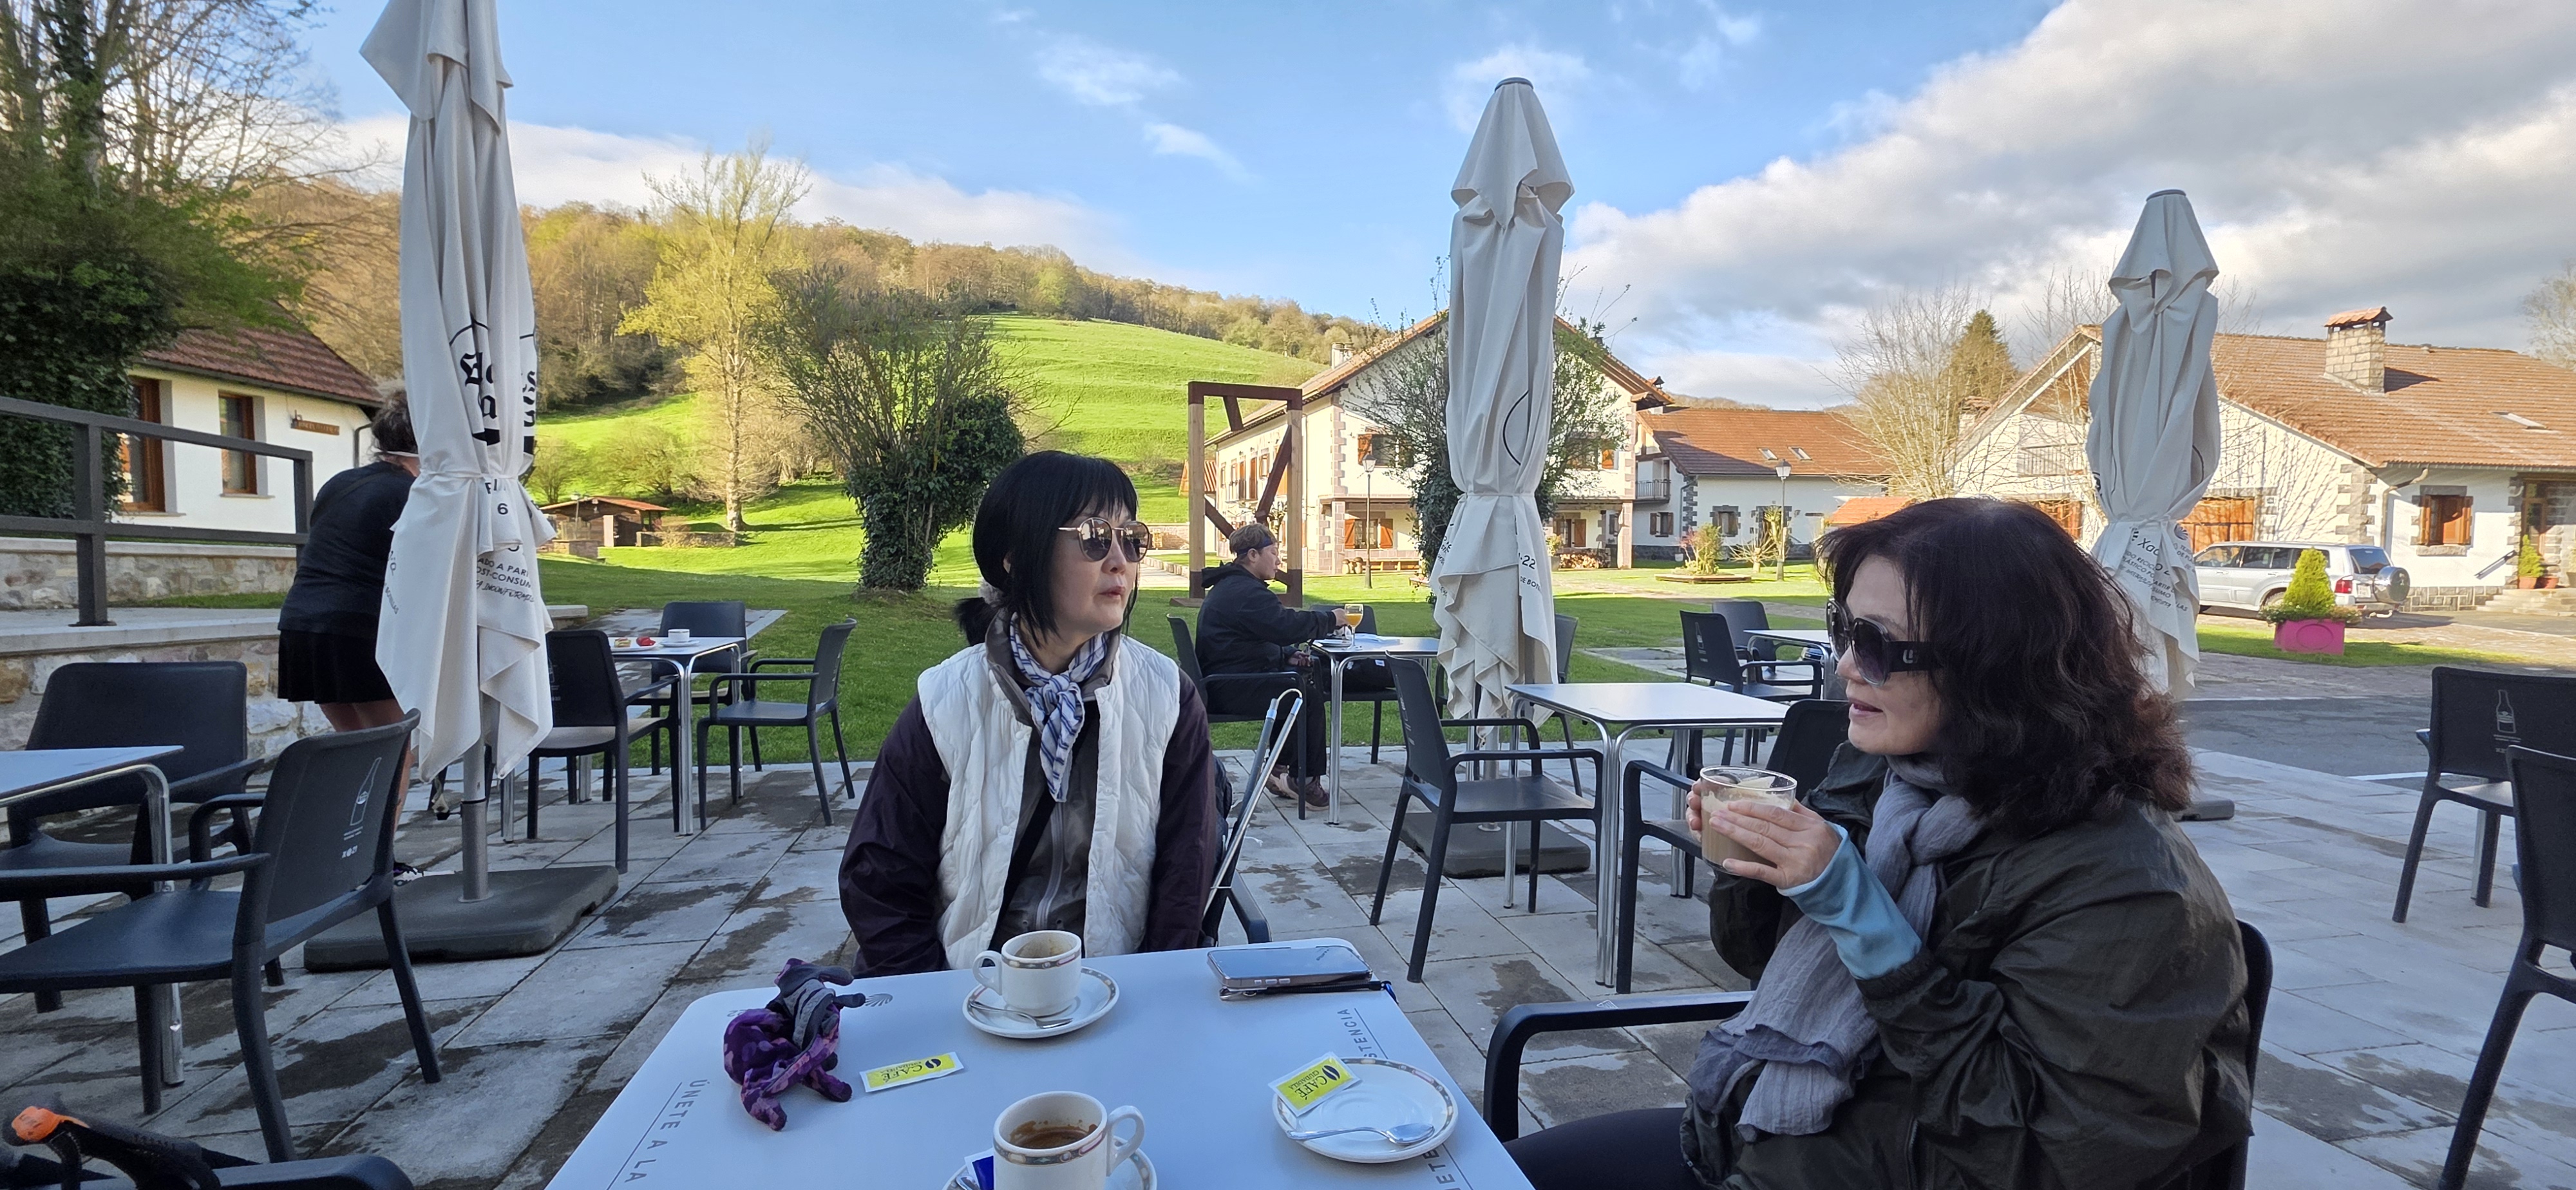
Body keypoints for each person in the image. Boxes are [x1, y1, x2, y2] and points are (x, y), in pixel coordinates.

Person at [1506, 498, 2251, 1190]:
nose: (1844, 666)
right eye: (1843, 628)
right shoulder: (1886, 773)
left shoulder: (2126, 888)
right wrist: (1758, 868)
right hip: (1763, 1136)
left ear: (1997, 665)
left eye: (1877, 644)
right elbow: (1759, 957)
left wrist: (1869, 926)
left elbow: (2045, 1149)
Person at [838, 451, 1217, 975]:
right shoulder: (947, 699)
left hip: (1112, 987)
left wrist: (1150, 986)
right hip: (972, 986)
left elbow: (1187, 872)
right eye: (1093, 536)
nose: (1120, 561)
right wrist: (938, 994)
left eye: (1132, 539)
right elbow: (878, 879)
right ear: (1015, 558)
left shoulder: (1167, 697)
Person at [1193, 524, 1385, 807]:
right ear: (1253, 555)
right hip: (1229, 686)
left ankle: (1279, 768)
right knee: (1304, 695)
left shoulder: (1235, 587)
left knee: (1298, 681)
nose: (1279, 560)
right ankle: (1304, 781)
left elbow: (1252, 638)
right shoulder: (1244, 592)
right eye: (1274, 552)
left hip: (1228, 679)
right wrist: (1330, 619)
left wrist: (1286, 656)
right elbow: (1284, 626)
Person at [277, 397, 417, 737]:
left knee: (354, 745)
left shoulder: (341, 482)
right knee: (392, 746)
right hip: (358, 626)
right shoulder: (415, 493)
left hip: (303, 624)